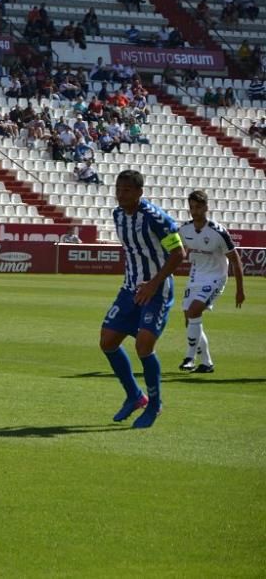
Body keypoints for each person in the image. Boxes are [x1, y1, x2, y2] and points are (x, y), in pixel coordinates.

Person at [100, 170, 185, 428]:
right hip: (129, 290)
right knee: (107, 341)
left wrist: (152, 283)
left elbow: (178, 253)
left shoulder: (156, 218)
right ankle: (135, 396)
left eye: (126, 190)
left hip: (156, 291)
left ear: (139, 192)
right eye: (118, 189)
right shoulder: (118, 215)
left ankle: (155, 406)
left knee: (144, 346)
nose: (120, 194)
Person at [177, 190, 245, 374]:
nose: (195, 211)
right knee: (190, 318)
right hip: (195, 276)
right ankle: (206, 363)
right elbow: (176, 249)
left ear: (206, 208)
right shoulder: (184, 229)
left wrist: (240, 289)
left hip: (216, 277)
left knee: (193, 311)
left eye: (198, 207)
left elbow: (236, 259)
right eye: (192, 207)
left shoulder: (218, 232)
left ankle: (189, 357)